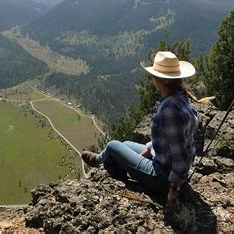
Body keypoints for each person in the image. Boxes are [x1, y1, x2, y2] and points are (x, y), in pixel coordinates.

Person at [81, 51, 198, 208]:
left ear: (160, 80)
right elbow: (168, 142)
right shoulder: (181, 98)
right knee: (127, 144)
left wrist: (173, 189)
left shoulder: (169, 110)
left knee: (113, 145)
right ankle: (109, 162)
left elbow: (179, 154)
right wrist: (148, 151)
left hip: (162, 177)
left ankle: (99, 161)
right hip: (165, 163)